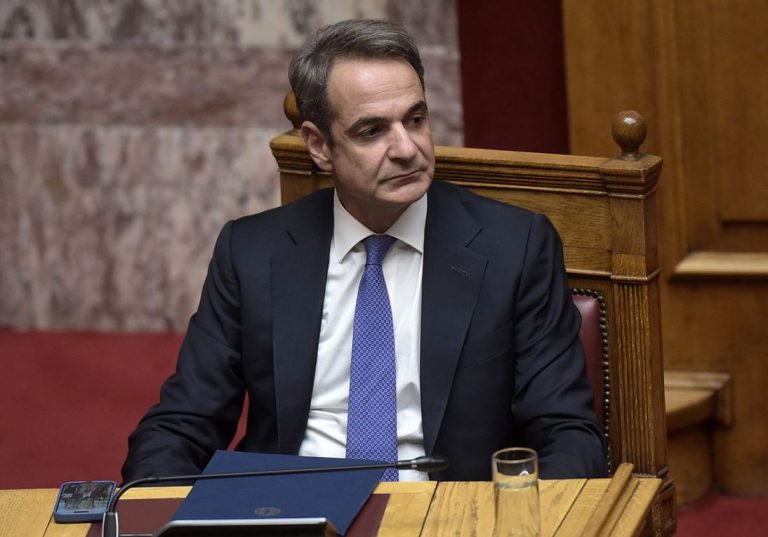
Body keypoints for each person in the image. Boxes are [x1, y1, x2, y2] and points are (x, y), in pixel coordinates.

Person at [122, 19, 606, 483]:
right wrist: (153, 513)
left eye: (415, 119)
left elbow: (567, 433)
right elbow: (181, 426)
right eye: (372, 131)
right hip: (289, 511)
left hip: (446, 511)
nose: (407, 148)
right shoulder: (252, 252)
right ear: (319, 146)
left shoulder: (515, 247)